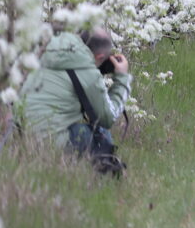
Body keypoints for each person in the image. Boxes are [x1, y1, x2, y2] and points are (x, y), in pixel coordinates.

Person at [20, 28, 131, 159]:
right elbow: (107, 118)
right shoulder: (88, 73)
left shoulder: (45, 50)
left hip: (20, 134)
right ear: (100, 57)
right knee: (101, 134)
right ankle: (98, 169)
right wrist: (122, 78)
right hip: (49, 144)